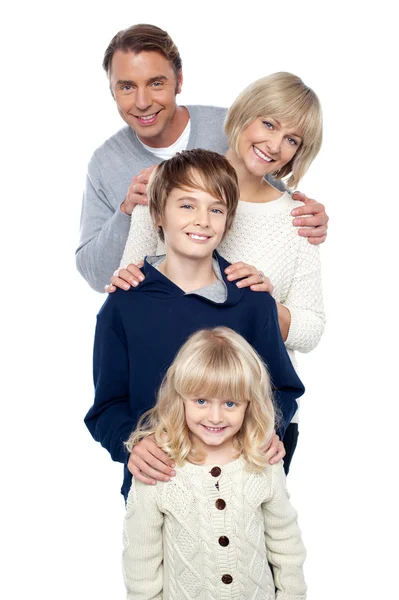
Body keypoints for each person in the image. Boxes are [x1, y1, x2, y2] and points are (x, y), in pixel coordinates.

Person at [114, 72, 325, 476]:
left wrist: (264, 305)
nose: (274, 145)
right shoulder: (168, 182)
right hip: (168, 418)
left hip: (257, 424)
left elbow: (311, 328)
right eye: (268, 123)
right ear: (244, 114)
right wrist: (124, 281)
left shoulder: (298, 218)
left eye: (292, 140)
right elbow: (131, 280)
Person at [84, 149, 304, 500]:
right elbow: (106, 407)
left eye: (215, 209)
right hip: (158, 492)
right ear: (158, 214)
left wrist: (268, 431)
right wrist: (132, 447)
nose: (202, 220)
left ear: (228, 221)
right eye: (187, 205)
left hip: (241, 491)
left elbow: (282, 390)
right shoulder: (124, 303)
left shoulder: (253, 301)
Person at [75, 23, 329, 293]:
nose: (142, 102)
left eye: (156, 83)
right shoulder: (105, 163)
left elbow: (264, 187)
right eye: (126, 87)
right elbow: (97, 276)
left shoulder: (231, 127)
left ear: (179, 81)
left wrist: (304, 213)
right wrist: (126, 211)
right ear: (112, 91)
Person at [123, 326, 307, 599]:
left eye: (230, 404)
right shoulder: (158, 468)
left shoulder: (263, 461)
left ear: (249, 404)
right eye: (201, 400)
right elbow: (141, 561)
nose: (215, 416)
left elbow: (285, 543)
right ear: (180, 398)